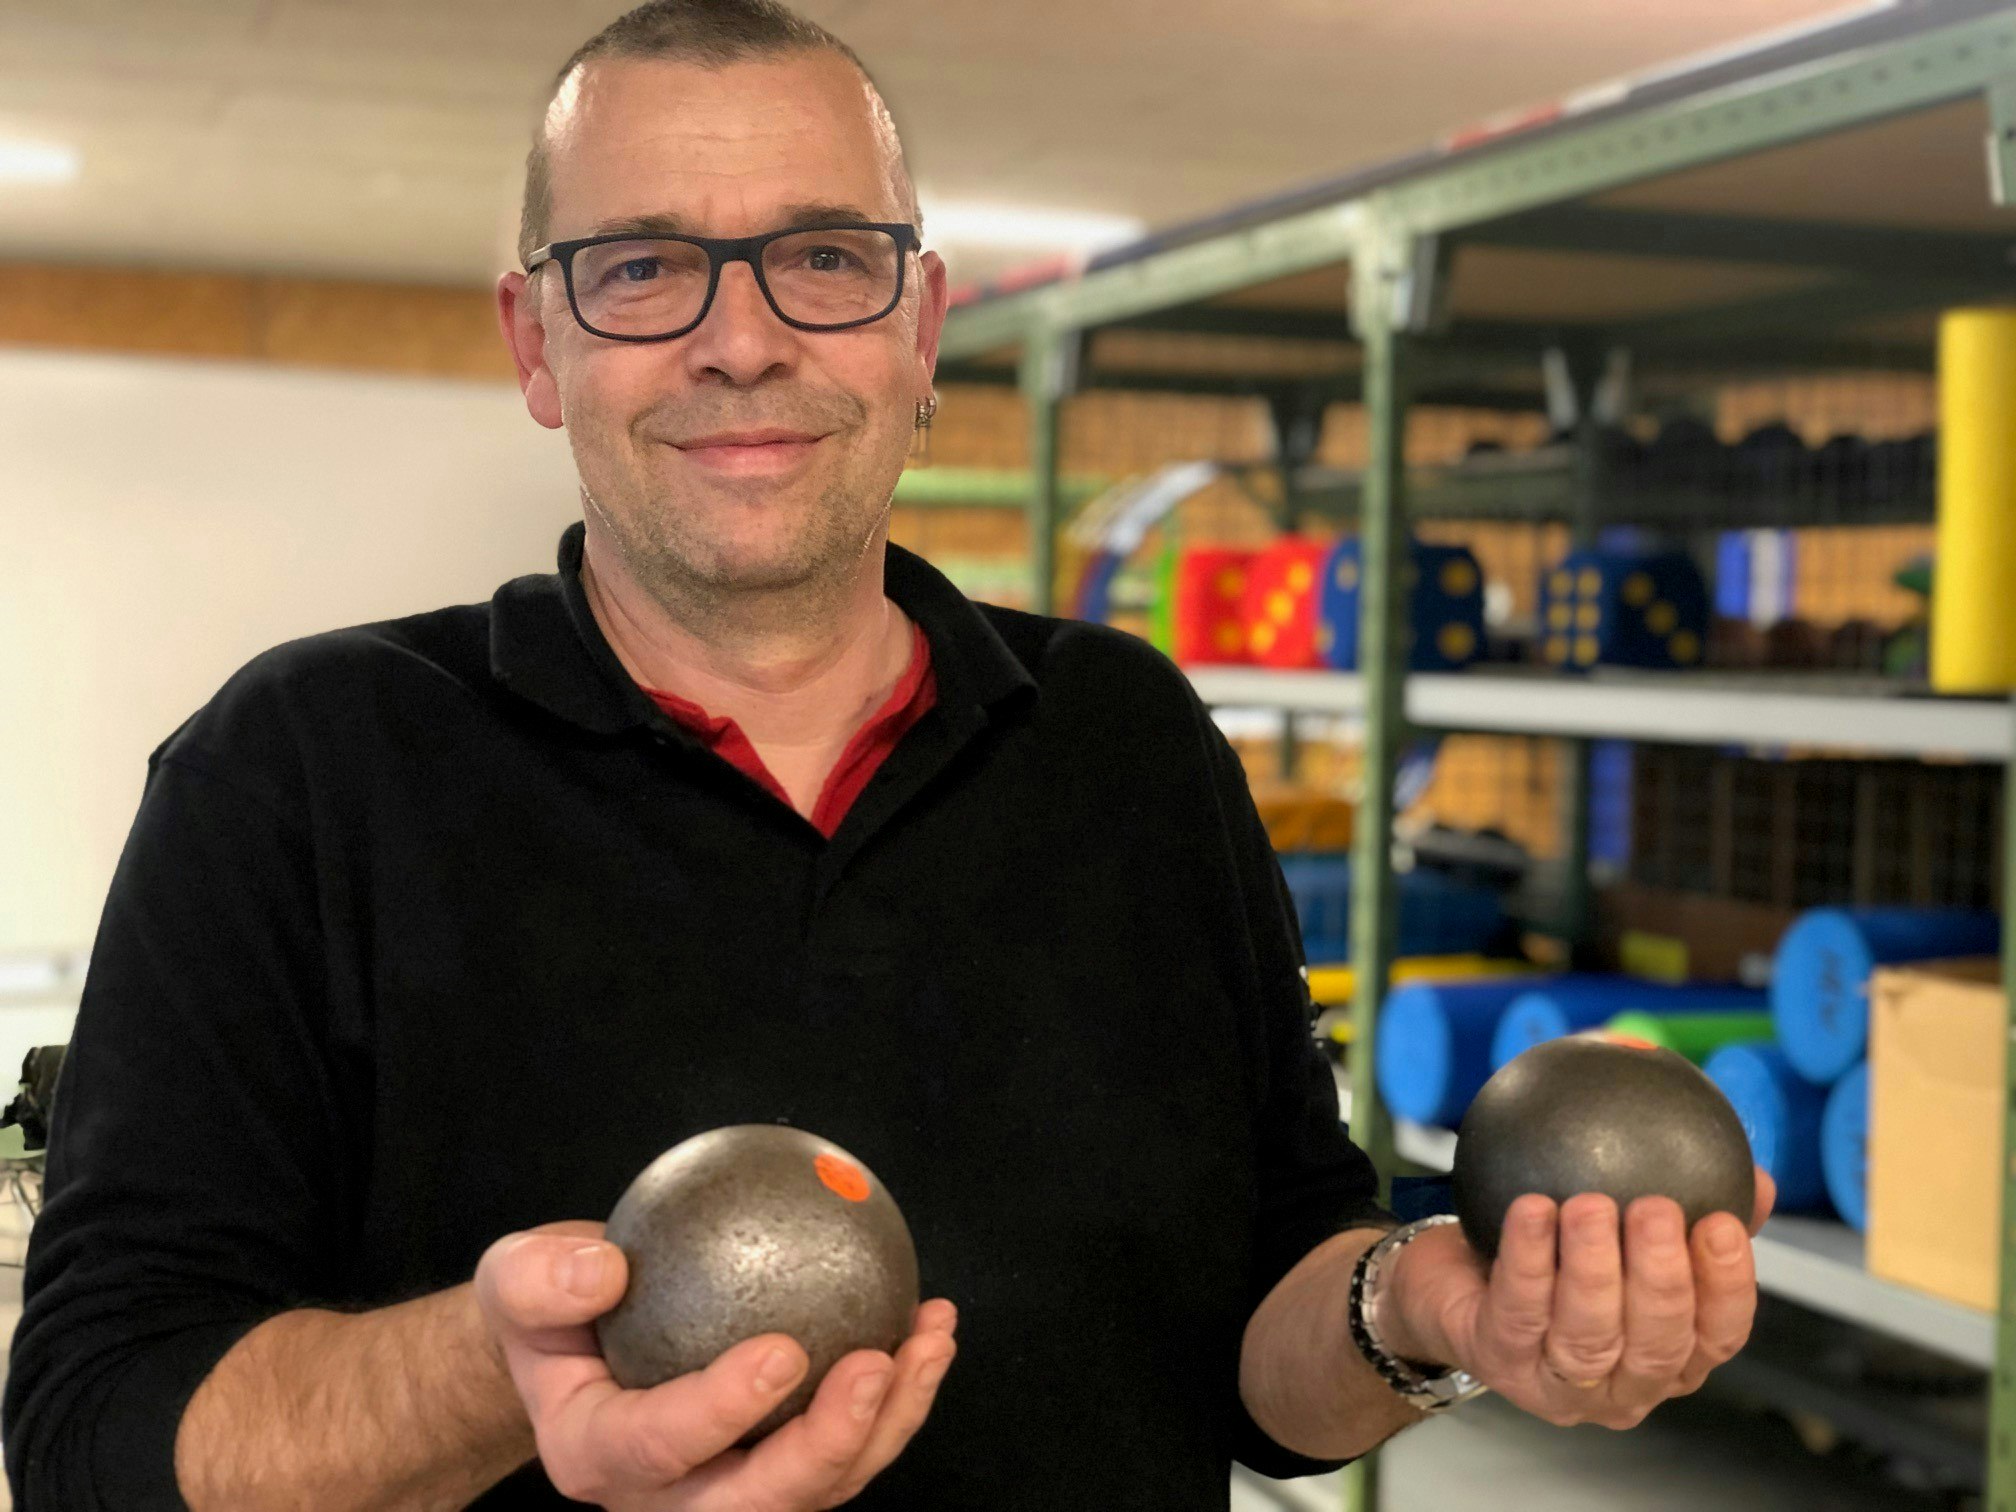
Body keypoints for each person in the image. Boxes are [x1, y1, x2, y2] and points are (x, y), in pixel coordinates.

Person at [2, 3, 1772, 1508]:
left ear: (921, 330)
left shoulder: (1127, 743)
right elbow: (94, 1430)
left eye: (823, 258)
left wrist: (1429, 1309)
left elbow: (1266, 1352)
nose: (742, 339)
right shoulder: (296, 772)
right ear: (538, 345)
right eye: (642, 268)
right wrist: (493, 1370)